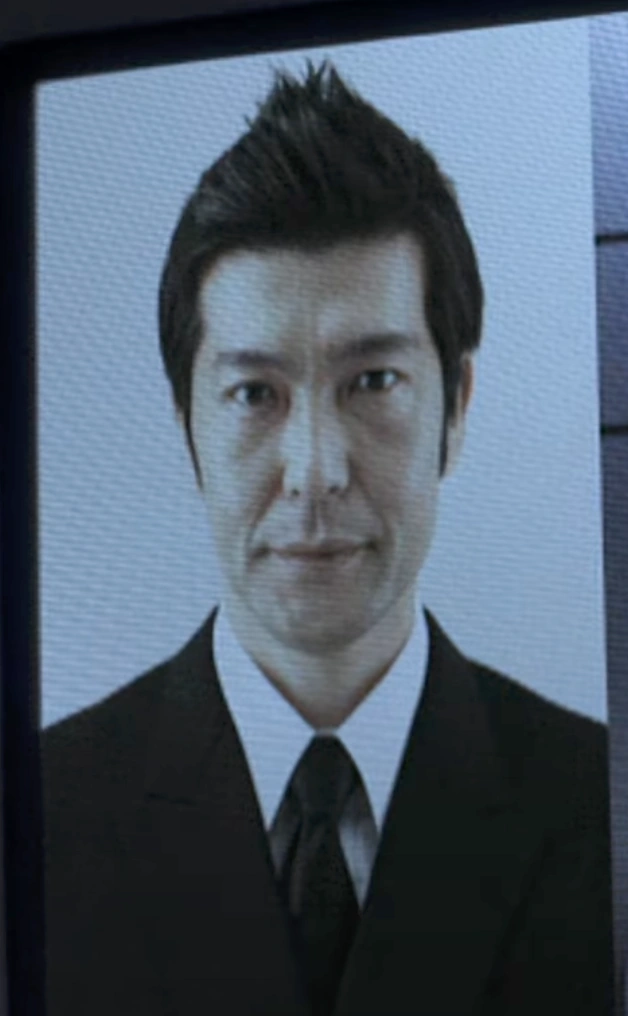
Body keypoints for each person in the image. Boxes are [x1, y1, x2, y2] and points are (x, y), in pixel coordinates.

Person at [42, 62, 614, 1015]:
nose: (315, 469)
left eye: (373, 382)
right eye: (253, 394)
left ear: (456, 406)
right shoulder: (36, 810)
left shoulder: (598, 800)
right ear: (187, 425)